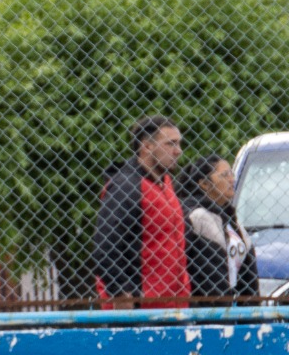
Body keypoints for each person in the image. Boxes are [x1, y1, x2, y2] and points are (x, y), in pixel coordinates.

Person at [92, 116, 191, 308]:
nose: (178, 151)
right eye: (170, 144)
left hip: (174, 305)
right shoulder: (126, 187)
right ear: (146, 147)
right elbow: (104, 246)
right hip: (141, 309)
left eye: (179, 144)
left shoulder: (166, 182)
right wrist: (121, 293)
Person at [176, 155, 258, 303]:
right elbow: (210, 278)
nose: (231, 180)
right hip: (210, 309)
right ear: (204, 184)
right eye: (224, 175)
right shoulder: (198, 216)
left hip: (232, 305)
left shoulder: (228, 217)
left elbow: (248, 277)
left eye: (231, 174)